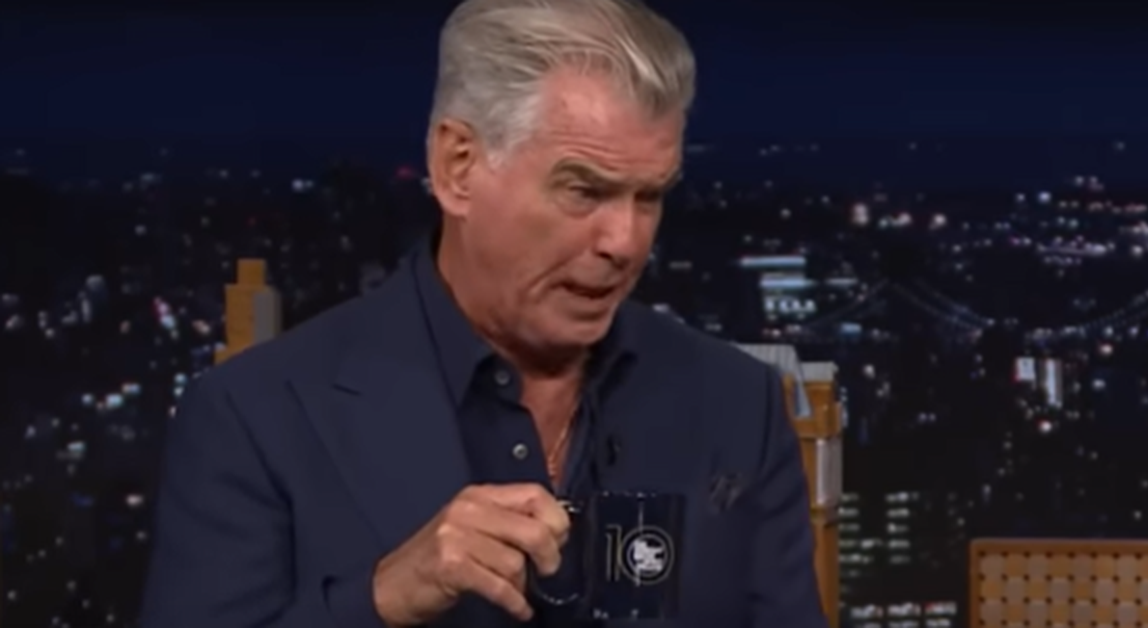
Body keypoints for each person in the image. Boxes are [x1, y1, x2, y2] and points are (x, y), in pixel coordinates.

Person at [139, 0, 829, 626]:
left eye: (648, 197)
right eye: (583, 190)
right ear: (458, 167)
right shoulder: (255, 417)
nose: (624, 242)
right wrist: (380, 599)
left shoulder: (738, 405)